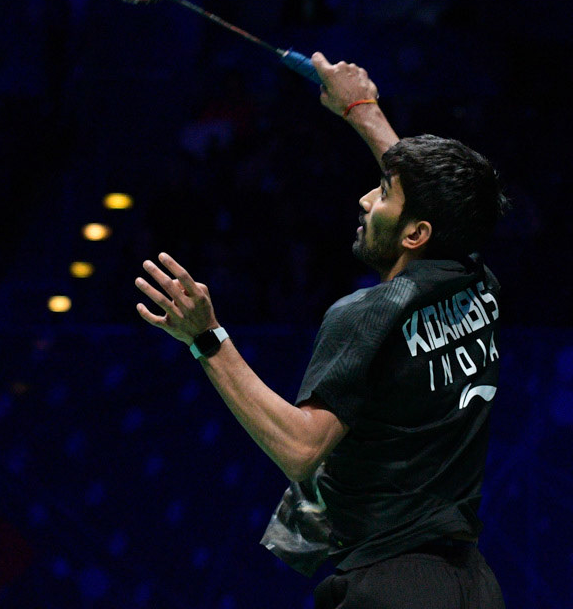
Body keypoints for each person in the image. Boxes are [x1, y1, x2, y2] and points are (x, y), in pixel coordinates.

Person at [135, 52, 509, 608]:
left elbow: (301, 448)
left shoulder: (364, 314)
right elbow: (433, 205)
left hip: (390, 587)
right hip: (470, 587)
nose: (364, 199)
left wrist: (206, 338)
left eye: (382, 194)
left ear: (414, 234)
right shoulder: (479, 285)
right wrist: (361, 107)